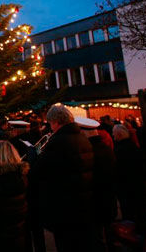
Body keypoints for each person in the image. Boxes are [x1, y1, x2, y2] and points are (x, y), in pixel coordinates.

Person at [30, 104, 94, 252]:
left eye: (51, 124)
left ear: (56, 122)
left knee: (66, 244)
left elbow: (39, 172)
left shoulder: (58, 142)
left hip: (64, 206)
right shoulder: (83, 138)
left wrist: (34, 158)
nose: (50, 128)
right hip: (82, 201)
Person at [76, 117, 116, 252]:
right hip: (108, 197)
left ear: (84, 133)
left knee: (97, 238)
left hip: (95, 200)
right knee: (109, 234)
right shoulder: (105, 148)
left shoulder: (89, 151)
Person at [113, 124, 146, 234]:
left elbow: (118, 170)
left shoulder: (119, 150)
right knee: (140, 212)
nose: (113, 136)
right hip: (139, 185)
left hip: (126, 187)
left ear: (119, 135)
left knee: (129, 214)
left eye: (114, 134)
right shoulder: (134, 147)